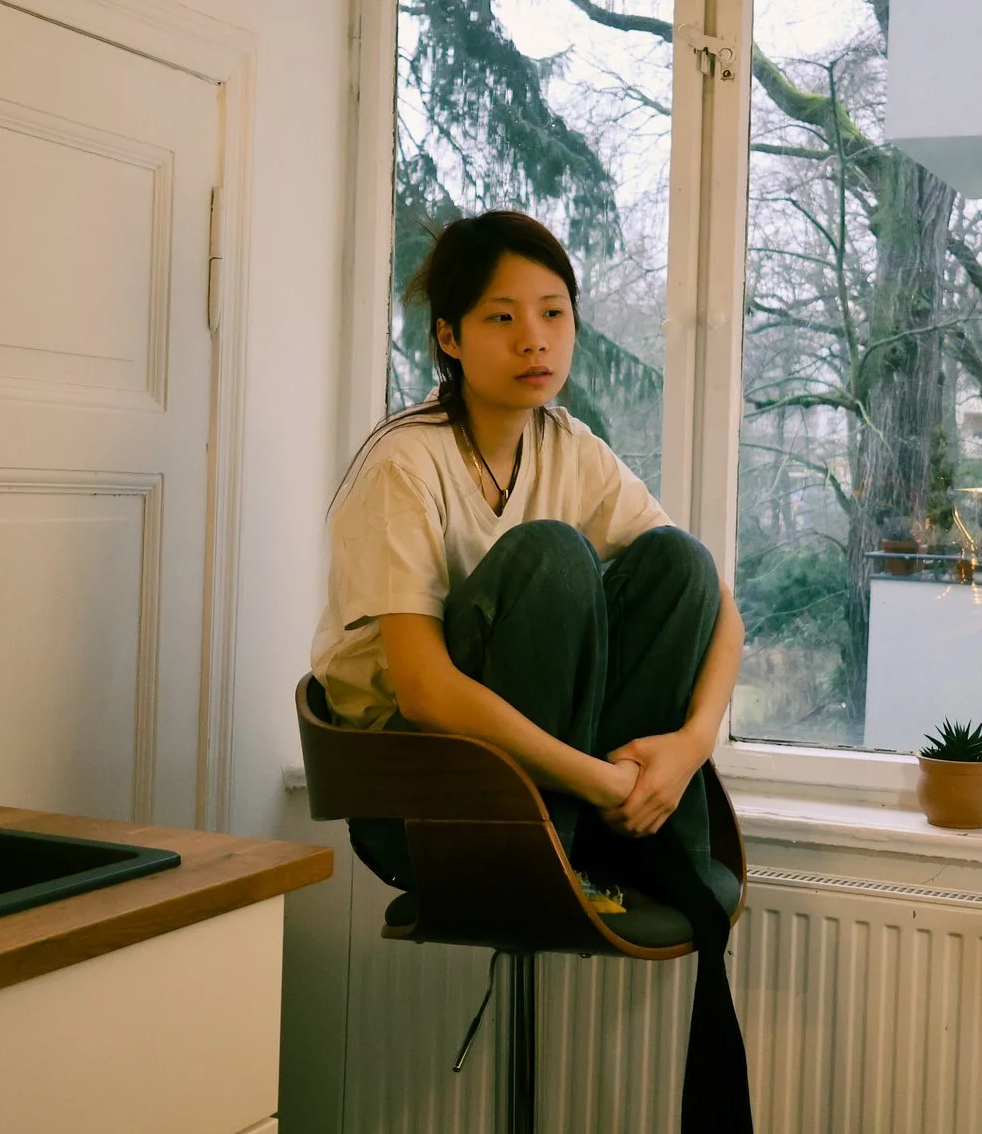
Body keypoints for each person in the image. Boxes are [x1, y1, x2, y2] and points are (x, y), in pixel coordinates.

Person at [311, 209, 745, 908]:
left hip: (554, 778)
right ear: (449, 337)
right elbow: (424, 691)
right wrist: (601, 780)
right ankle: (567, 845)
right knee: (554, 556)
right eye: (502, 318)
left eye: (553, 313)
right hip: (415, 784)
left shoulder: (569, 448)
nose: (535, 340)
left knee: (681, 562)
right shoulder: (406, 464)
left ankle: (622, 842)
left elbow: (720, 607)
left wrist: (690, 747)